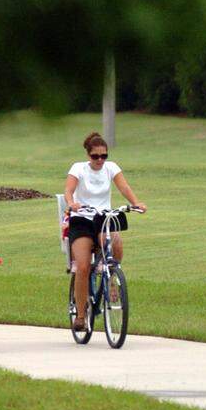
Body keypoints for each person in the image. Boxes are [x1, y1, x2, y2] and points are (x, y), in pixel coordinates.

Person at [65, 132, 146, 331]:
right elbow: (68, 190)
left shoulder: (111, 168)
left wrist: (135, 203)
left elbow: (123, 187)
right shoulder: (78, 168)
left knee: (116, 241)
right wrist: (71, 203)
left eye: (104, 156)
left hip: (103, 217)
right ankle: (81, 316)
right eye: (95, 156)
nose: (100, 160)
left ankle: (111, 277)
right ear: (88, 155)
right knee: (83, 267)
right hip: (82, 219)